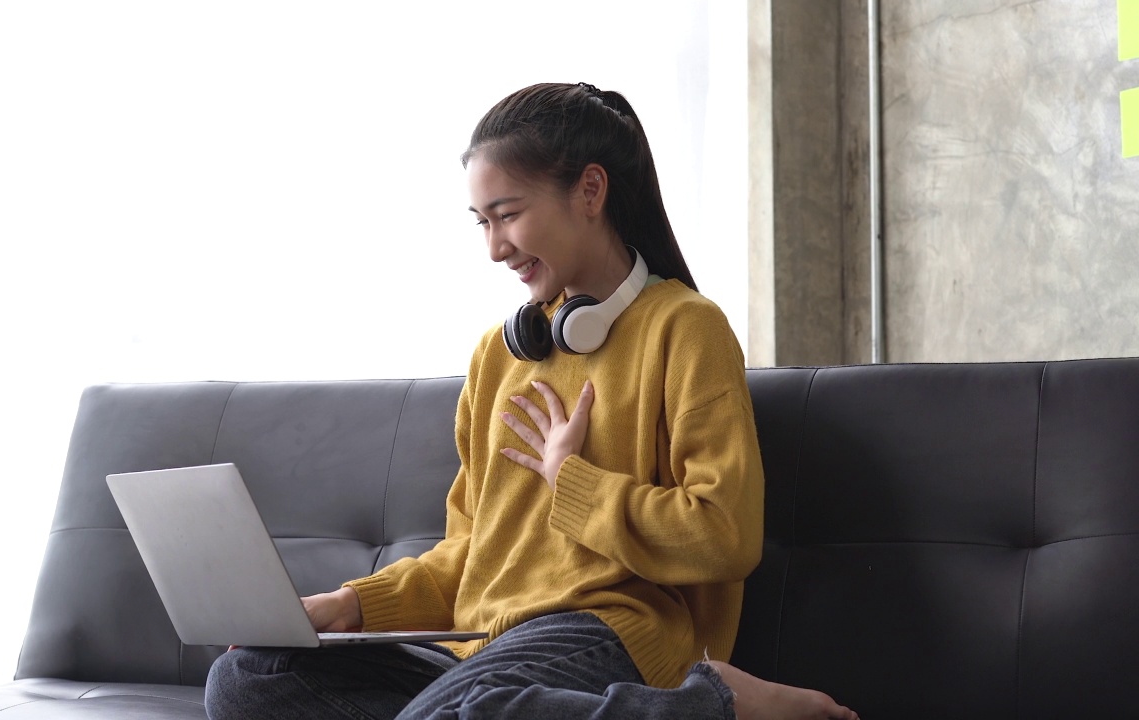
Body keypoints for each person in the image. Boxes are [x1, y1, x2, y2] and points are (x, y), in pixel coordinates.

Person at [205, 82, 857, 720]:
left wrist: (571, 483)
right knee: (247, 676)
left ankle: (716, 702)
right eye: (482, 222)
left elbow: (724, 536)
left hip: (605, 632)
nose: (494, 248)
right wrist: (350, 605)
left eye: (509, 214)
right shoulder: (500, 354)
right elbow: (469, 552)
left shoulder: (685, 329)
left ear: (591, 191)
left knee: (472, 708)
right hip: (487, 655)